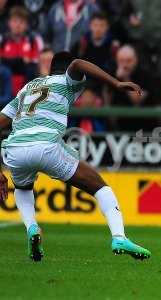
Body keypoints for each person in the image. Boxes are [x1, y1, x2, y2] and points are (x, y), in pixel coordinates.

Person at [0, 52, 151, 262]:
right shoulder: (66, 81)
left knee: (23, 187)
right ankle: (119, 236)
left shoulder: (27, 88)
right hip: (46, 145)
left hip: (15, 149)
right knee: (100, 187)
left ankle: (32, 228)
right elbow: (78, 64)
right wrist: (116, 83)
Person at [0, 6, 43, 96]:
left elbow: (37, 63)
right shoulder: (2, 40)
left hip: (26, 89)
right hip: (5, 88)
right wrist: (20, 60)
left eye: (22, 22)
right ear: (9, 23)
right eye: (15, 21)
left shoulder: (34, 40)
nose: (18, 25)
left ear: (26, 25)